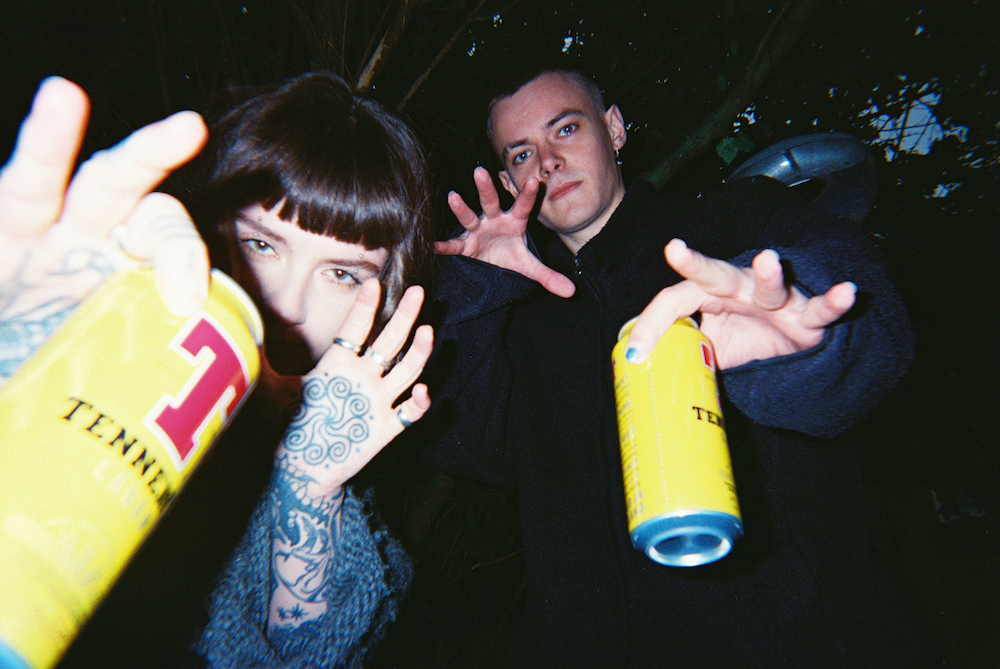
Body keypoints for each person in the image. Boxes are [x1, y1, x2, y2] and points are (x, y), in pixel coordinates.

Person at [422, 67, 922, 666]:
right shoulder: (517, 315)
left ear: (614, 129)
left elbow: (876, 327)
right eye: (523, 153)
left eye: (566, 129)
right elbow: (470, 445)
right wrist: (477, 294)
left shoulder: (733, 221)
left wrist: (806, 345)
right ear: (508, 181)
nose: (548, 161)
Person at [0, 72, 434, 668]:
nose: (287, 305)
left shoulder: (342, 490)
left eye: (341, 274)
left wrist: (309, 494)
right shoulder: (102, 361)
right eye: (262, 245)